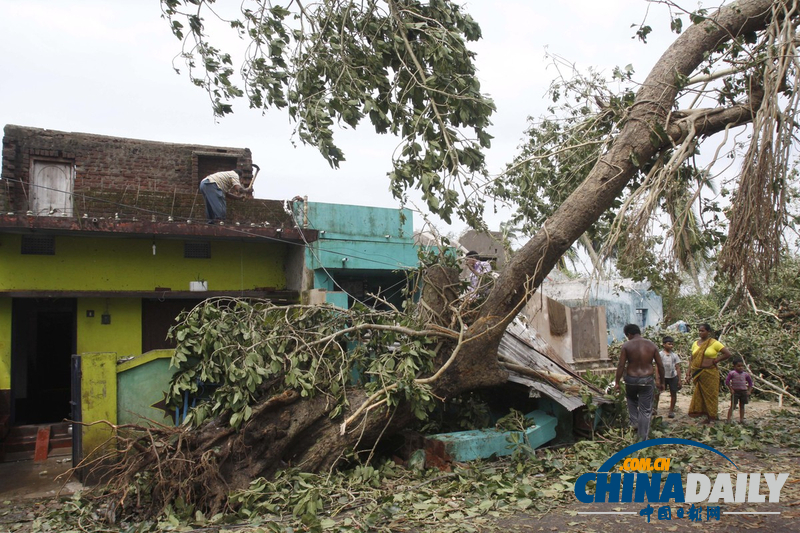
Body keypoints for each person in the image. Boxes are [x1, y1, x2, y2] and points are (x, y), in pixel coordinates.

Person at [614, 324, 664, 441]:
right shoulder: (651, 345)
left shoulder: (626, 345)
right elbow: (660, 365)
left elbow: (621, 365)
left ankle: (634, 422)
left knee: (631, 400)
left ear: (629, 334)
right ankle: (642, 437)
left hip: (631, 379)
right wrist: (662, 381)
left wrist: (617, 381)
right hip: (646, 380)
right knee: (645, 410)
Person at [686, 323, 732, 424]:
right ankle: (705, 416)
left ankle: (712, 416)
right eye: (699, 331)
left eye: (703, 331)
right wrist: (688, 371)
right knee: (701, 394)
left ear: (708, 332)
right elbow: (692, 358)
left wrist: (716, 360)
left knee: (711, 395)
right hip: (698, 373)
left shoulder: (714, 343)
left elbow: (727, 353)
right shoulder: (695, 343)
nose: (700, 332)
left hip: (710, 373)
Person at [654, 336, 682, 419]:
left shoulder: (674, 355)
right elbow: (657, 367)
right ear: (663, 344)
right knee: (657, 393)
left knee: (673, 393)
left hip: (673, 377)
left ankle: (671, 410)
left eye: (672, 344)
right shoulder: (660, 355)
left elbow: (677, 367)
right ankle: (654, 409)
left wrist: (679, 380)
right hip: (663, 377)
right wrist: (657, 378)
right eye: (669, 344)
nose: (671, 346)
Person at [725, 358, 753, 424]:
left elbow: (750, 383)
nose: (741, 367)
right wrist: (731, 389)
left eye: (742, 366)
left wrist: (749, 391)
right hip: (735, 391)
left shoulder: (746, 374)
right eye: (738, 366)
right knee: (733, 406)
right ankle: (728, 419)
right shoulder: (732, 373)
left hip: (743, 391)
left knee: (742, 405)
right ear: (734, 366)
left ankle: (741, 419)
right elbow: (727, 381)